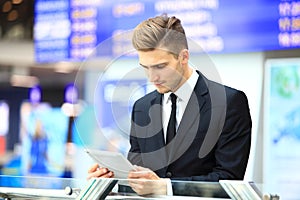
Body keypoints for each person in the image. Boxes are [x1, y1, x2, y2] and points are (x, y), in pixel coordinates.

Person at [87, 15, 252, 196]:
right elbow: (139, 178)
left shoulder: (229, 102)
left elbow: (229, 179)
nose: (152, 78)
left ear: (183, 57)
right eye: (145, 67)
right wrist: (112, 183)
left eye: (160, 66)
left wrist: (166, 187)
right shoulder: (141, 107)